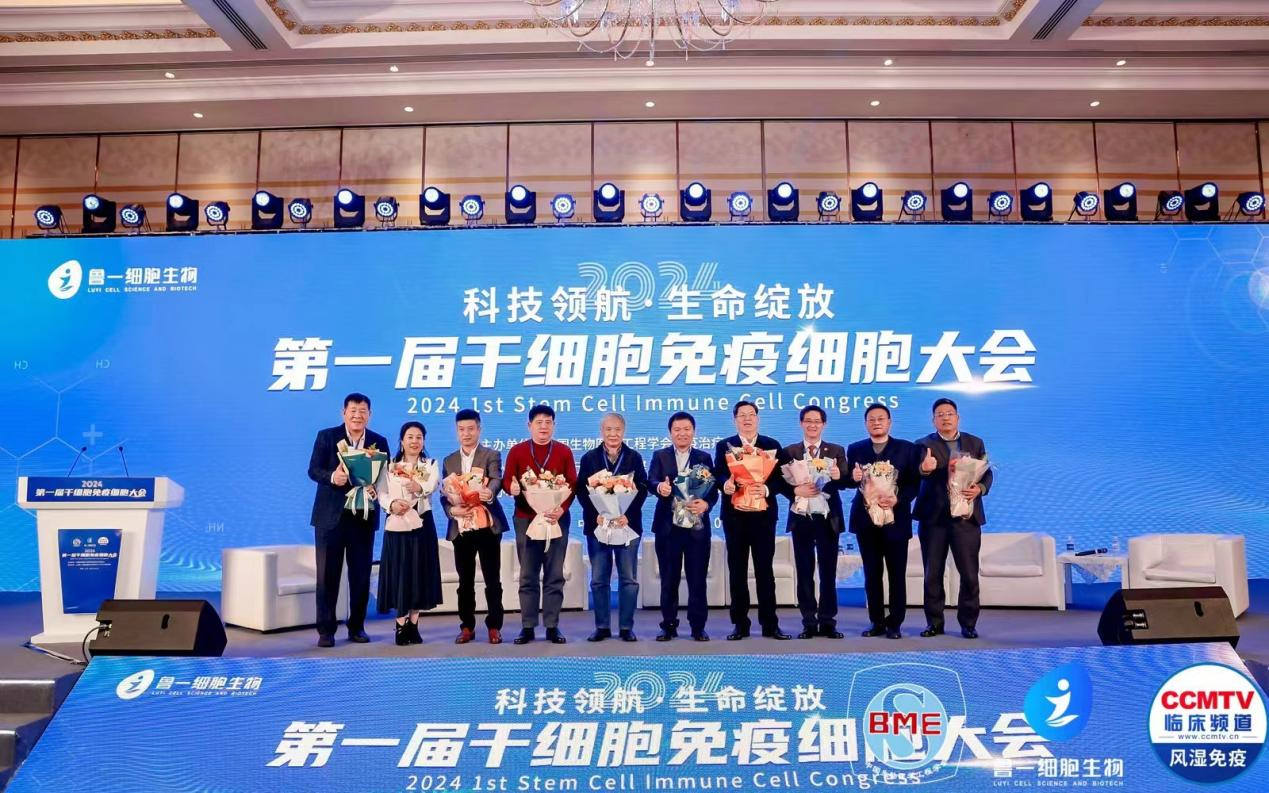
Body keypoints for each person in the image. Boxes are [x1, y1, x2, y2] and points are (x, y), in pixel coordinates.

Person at [306, 392, 390, 647]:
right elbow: (313, 470)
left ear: (369, 415)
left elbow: (384, 477)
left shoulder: (378, 442)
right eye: (353, 410)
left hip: (363, 518)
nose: (357, 415)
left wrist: (376, 489)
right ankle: (326, 630)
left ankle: (357, 627)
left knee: (361, 576)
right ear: (343, 413)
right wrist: (333, 477)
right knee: (327, 576)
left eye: (363, 411)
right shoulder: (327, 437)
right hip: (330, 519)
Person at [915, 398, 994, 639]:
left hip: (966, 519)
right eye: (940, 414)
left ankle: (968, 623)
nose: (945, 418)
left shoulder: (974, 442)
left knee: (969, 574)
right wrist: (924, 468)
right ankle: (934, 623)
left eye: (949, 413)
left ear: (957, 418)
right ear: (933, 420)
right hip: (934, 519)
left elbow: (987, 473)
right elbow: (916, 473)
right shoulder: (923, 444)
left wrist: (980, 488)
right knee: (932, 574)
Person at [714, 401, 792, 641]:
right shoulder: (724, 446)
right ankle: (740, 624)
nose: (747, 419)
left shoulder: (772, 445)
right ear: (735, 419)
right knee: (737, 571)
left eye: (751, 415)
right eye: (742, 415)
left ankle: (770, 624)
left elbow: (783, 480)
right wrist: (725, 485)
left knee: (764, 571)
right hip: (735, 517)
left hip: (763, 517)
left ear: (757, 418)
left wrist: (766, 489)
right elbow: (718, 474)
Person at [844, 404, 922, 639]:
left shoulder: (907, 449)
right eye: (871, 419)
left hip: (896, 521)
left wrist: (898, 498)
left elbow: (915, 484)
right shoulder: (855, 449)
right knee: (872, 573)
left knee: (897, 574)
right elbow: (850, 481)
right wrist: (852, 477)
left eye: (881, 419)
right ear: (866, 423)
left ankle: (895, 623)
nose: (876, 423)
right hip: (865, 521)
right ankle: (876, 621)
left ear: (889, 422)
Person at [502, 405, 577, 644]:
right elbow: (507, 481)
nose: (543, 426)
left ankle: (552, 626)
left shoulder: (563, 451)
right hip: (525, 519)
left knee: (554, 574)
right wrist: (512, 488)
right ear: (529, 425)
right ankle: (528, 626)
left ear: (554, 425)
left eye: (548, 422)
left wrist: (561, 509)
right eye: (538, 422)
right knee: (528, 574)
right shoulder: (517, 451)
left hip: (557, 518)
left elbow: (573, 484)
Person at [576, 413, 648, 642]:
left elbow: (642, 489)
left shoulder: (634, 457)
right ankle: (602, 627)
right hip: (598, 527)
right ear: (602, 431)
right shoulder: (589, 458)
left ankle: (626, 627)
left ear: (623, 431)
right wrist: (595, 515)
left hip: (628, 526)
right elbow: (581, 491)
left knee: (629, 579)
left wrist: (628, 515)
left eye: (617, 429)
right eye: (608, 429)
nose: (613, 434)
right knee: (599, 579)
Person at [440, 408, 508, 645]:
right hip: (461, 526)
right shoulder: (449, 460)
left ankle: (494, 626)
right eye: (462, 429)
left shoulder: (490, 454)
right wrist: (452, 510)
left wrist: (489, 492)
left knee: (492, 579)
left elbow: (496, 478)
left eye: (471, 429)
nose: (466, 433)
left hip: (487, 524)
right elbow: (444, 494)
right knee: (465, 581)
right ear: (456, 431)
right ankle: (467, 626)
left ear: (479, 429)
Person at [648, 411, 717, 641]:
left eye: (686, 429)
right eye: (677, 429)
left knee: (697, 580)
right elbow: (651, 481)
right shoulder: (660, 456)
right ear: (670, 433)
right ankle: (668, 625)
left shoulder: (704, 457)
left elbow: (713, 491)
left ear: (694, 432)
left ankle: (698, 627)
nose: (682, 433)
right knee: (669, 580)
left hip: (696, 527)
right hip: (668, 529)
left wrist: (706, 504)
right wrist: (660, 488)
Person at [781, 405, 848, 639]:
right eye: (808, 421)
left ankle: (828, 621)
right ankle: (809, 622)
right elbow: (780, 484)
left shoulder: (836, 450)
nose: (812, 425)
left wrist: (839, 476)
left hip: (828, 519)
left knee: (828, 572)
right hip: (801, 518)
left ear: (823, 425)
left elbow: (846, 481)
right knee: (804, 571)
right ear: (801, 423)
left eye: (817, 421)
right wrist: (795, 490)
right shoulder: (790, 451)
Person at [377, 421, 443, 645]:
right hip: (397, 522)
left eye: (419, 437)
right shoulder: (389, 466)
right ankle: (400, 624)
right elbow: (381, 492)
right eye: (410, 437)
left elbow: (432, 485)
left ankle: (414, 624)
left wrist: (419, 487)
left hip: (422, 523)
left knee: (419, 572)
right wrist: (392, 504)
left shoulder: (430, 464)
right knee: (400, 572)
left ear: (423, 441)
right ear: (402, 440)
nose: (414, 441)